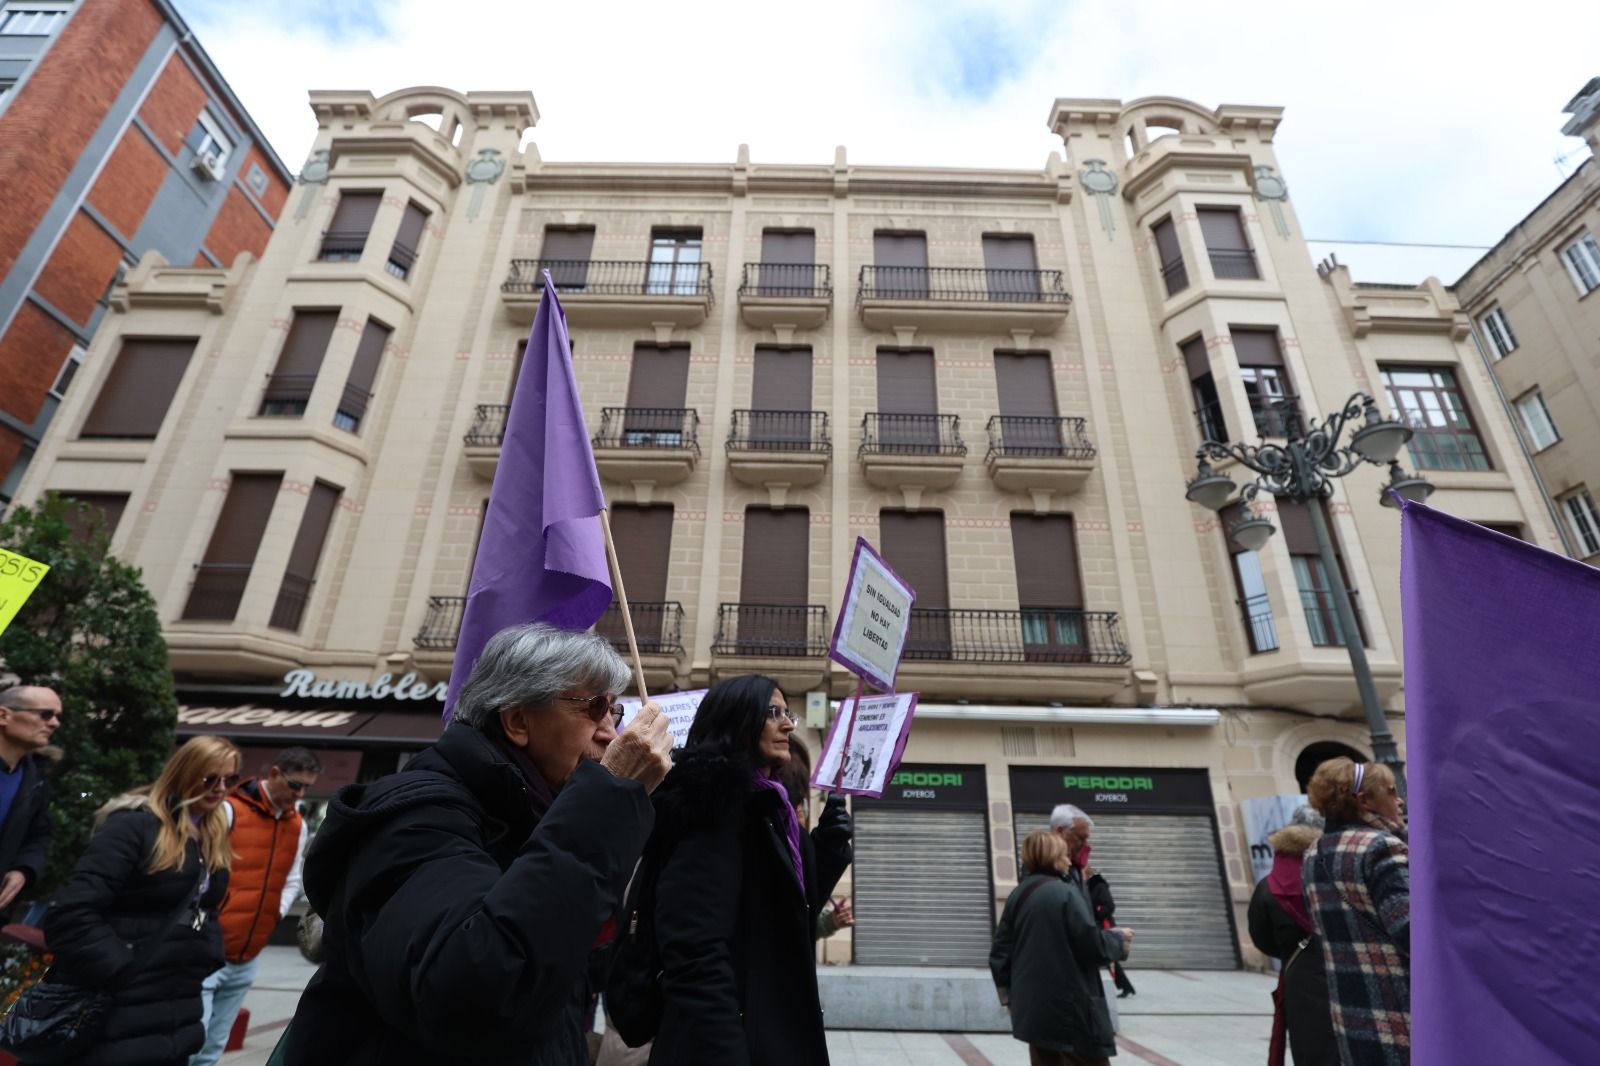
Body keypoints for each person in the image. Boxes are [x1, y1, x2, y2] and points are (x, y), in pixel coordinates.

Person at [282, 623, 673, 1066]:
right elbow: (477, 992)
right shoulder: (418, 818)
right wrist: (605, 804)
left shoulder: (534, 817)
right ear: (518, 722)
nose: (610, 732)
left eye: (614, 712)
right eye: (594, 707)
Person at [645, 675, 843, 1066]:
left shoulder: (772, 810)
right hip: (730, 1043)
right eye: (774, 712)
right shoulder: (715, 807)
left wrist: (829, 849)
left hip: (768, 1031)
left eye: (789, 714)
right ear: (736, 719)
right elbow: (694, 949)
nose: (787, 724)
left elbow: (780, 920)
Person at [42, 735, 239, 1066]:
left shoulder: (211, 834)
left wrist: (208, 955)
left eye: (230, 779)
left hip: (176, 1004)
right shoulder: (134, 826)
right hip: (115, 1006)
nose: (221, 788)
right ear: (184, 773)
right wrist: (123, 968)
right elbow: (71, 913)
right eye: (210, 779)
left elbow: (206, 910)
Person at [191, 748, 322, 1066]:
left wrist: (273, 914)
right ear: (275, 774)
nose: (300, 794)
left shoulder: (298, 824)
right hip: (207, 947)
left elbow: (292, 878)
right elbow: (200, 870)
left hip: (250, 950)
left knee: (214, 1045)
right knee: (194, 1039)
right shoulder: (229, 810)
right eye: (294, 785)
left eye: (306, 788)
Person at [991, 830, 1132, 1066]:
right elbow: (1092, 947)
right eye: (1065, 855)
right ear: (1054, 857)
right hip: (1070, 1010)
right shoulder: (1065, 893)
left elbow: (1000, 953)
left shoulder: (1020, 893)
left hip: (1033, 1010)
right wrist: (1118, 940)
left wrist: (1009, 1000)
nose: (1069, 860)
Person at [1303, 759, 1410, 1066]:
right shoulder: (1381, 847)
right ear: (1364, 800)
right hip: (1399, 1011)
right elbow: (1410, 931)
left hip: (1351, 1011)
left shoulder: (1314, 853)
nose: (1399, 799)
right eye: (1390, 791)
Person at [1247, 805, 1337, 1066]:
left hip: (1299, 977)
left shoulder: (1269, 886)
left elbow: (1260, 937)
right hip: (1343, 970)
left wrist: (1291, 950)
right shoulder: (1334, 873)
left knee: (1309, 1049)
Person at [774, 733, 855, 941]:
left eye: (801, 807)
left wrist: (830, 922)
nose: (801, 815)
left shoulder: (800, 849)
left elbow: (795, 922)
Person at [0, 685, 60, 916]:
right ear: (4, 716)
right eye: (45, 714)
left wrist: (24, 869)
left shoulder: (36, 777)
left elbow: (39, 834)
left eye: (56, 716)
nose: (54, 723)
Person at [1084, 866, 1134, 998]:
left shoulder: (1098, 886)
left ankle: (1126, 986)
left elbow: (1110, 906)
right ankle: (1125, 986)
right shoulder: (1090, 886)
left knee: (1109, 958)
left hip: (1104, 926)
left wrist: (1097, 914)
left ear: (1087, 873)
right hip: (1098, 925)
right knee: (1108, 959)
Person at [1050, 803, 1093, 895]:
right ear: (1060, 832)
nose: (1085, 844)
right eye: (1081, 838)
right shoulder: (1041, 867)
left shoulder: (1074, 867)